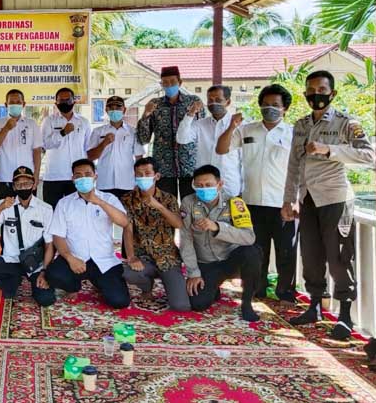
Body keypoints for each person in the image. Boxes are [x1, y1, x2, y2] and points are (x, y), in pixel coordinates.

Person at [283, 70, 375, 340]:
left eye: (322, 90)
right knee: (310, 257)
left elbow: (369, 154)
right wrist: (288, 199)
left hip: (335, 199)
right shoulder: (300, 125)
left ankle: (345, 316)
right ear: (305, 95)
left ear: (332, 93)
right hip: (307, 199)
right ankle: (314, 306)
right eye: (311, 91)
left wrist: (329, 149)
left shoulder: (347, 123)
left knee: (338, 259)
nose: (316, 95)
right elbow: (293, 164)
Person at [216, 84, 296, 302]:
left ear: (285, 108)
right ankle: (256, 289)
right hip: (252, 202)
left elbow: (301, 168)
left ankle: (285, 292)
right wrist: (232, 126)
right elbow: (221, 149)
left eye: (275, 105)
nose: (269, 108)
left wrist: (295, 200)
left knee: (285, 252)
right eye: (266, 104)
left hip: (282, 203)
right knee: (256, 250)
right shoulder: (247, 129)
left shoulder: (293, 133)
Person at [45, 159, 132, 309]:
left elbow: (124, 222)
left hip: (103, 260)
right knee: (53, 275)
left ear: (95, 177)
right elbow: (58, 236)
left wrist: (100, 202)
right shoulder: (64, 203)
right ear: (73, 179)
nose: (83, 178)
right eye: (78, 175)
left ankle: (100, 283)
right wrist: (69, 257)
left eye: (87, 174)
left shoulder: (109, 199)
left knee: (120, 301)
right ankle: (73, 287)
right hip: (75, 258)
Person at [179, 165, 260, 322]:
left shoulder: (235, 203)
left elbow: (249, 237)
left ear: (220, 184)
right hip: (206, 263)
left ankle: (247, 302)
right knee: (198, 303)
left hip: (230, 260)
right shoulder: (188, 202)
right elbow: (185, 240)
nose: (203, 189)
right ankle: (214, 287)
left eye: (208, 185)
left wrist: (217, 227)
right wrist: (193, 273)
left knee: (252, 252)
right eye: (199, 186)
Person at [120, 157, 189, 311]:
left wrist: (160, 207)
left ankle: (170, 282)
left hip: (167, 257)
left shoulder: (168, 198)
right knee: (128, 273)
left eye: (147, 173)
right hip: (143, 257)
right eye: (139, 174)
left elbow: (178, 224)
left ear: (156, 176)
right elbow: (128, 230)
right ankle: (146, 287)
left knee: (181, 306)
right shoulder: (127, 199)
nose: (143, 177)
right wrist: (132, 257)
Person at [0, 166, 56, 306]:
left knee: (46, 299)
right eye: (19, 184)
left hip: (35, 264)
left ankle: (25, 281)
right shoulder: (5, 205)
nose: (23, 187)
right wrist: (0, 209)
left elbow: (49, 244)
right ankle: (13, 280)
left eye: (26, 183)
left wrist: (44, 272)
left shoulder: (45, 209)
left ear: (33, 185)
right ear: (14, 187)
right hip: (12, 260)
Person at [137, 66, 203, 200]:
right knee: (166, 206)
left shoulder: (193, 102)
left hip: (189, 164)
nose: (169, 85)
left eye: (172, 82)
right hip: (163, 166)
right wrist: (146, 114)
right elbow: (143, 138)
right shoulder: (154, 104)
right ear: (161, 85)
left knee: (191, 206)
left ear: (180, 82)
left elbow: (201, 131)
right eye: (165, 83)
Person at [176, 85, 242, 197]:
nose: (213, 103)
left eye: (218, 100)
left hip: (229, 186)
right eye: (210, 100)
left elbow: (243, 160)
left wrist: (243, 189)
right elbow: (181, 139)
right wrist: (190, 114)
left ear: (228, 102)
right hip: (204, 187)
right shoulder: (200, 124)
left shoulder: (239, 125)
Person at [41, 88, 91, 208]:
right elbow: (45, 144)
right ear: (56, 103)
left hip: (77, 178)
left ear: (74, 101)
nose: (64, 103)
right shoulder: (49, 121)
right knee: (52, 213)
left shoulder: (83, 122)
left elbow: (87, 149)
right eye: (61, 100)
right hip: (53, 177)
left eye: (67, 100)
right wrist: (62, 133)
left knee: (77, 213)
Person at [87, 96, 145, 201]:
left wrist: (139, 182)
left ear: (124, 110)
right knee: (105, 216)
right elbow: (90, 157)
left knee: (126, 215)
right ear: (106, 110)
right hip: (105, 182)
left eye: (118, 107)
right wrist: (104, 143)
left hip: (127, 183)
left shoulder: (133, 132)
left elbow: (139, 159)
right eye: (111, 108)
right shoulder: (98, 132)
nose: (114, 110)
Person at [0, 89, 43, 198]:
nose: (15, 105)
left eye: (18, 102)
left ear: (23, 104)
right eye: (12, 102)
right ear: (6, 104)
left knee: (29, 212)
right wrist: (6, 129)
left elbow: (37, 151)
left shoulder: (31, 124)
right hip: (6, 177)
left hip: (27, 177)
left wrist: (36, 175)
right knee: (7, 210)